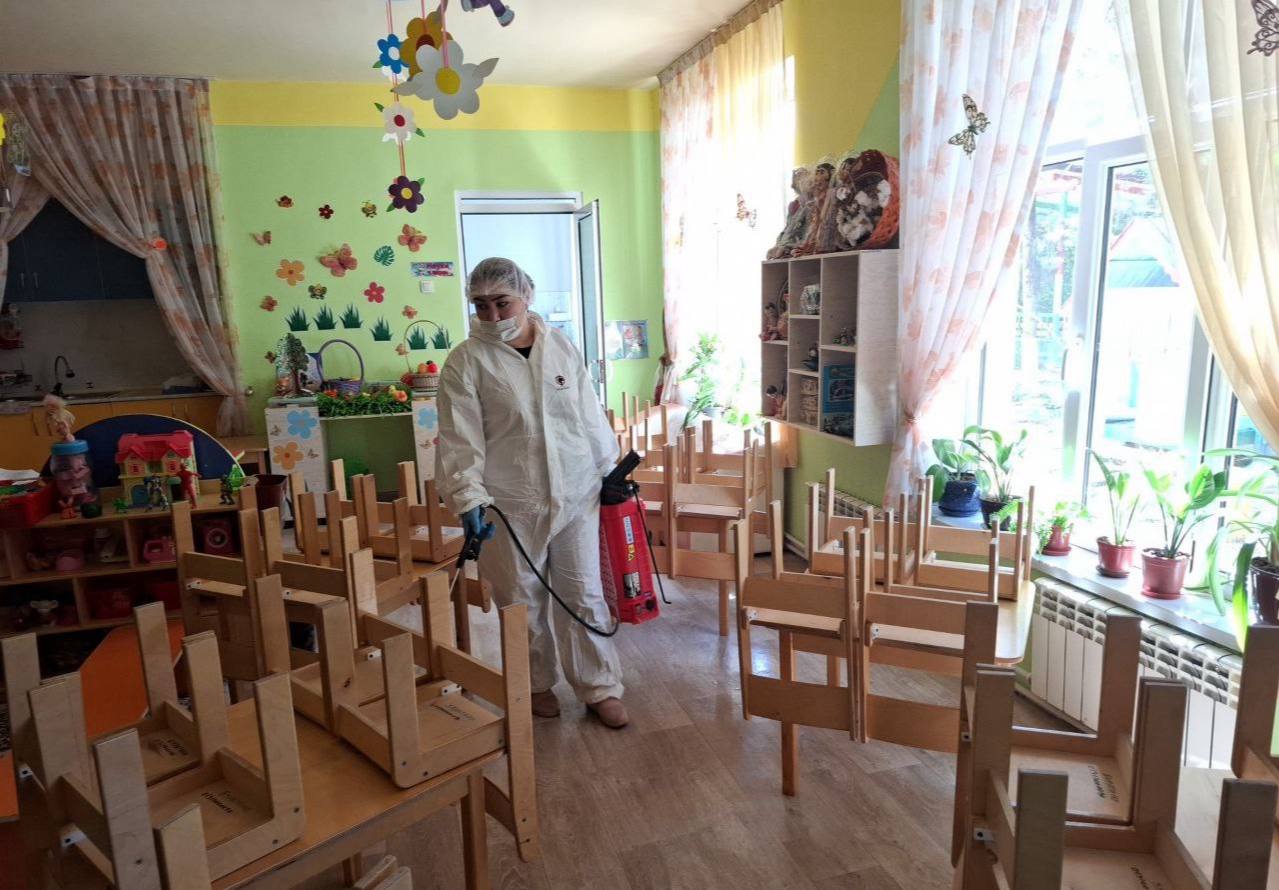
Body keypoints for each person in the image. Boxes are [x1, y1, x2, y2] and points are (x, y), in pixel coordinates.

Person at [436, 257, 628, 728]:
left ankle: (599, 686)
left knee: (582, 591)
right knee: (520, 598)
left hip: (576, 491)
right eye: (481, 305)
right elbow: (460, 438)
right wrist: (468, 497)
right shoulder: (466, 360)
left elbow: (587, 414)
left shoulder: (560, 346)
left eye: (502, 303)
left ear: (527, 296)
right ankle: (535, 683)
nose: (493, 315)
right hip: (509, 501)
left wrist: (609, 470)